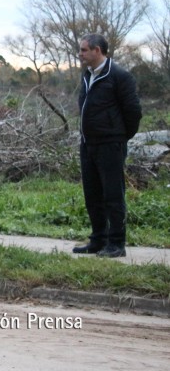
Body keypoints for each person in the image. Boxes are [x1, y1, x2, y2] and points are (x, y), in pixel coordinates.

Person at [72, 34, 142, 258]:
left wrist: (119, 137)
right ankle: (98, 240)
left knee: (113, 195)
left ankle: (116, 244)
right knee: (93, 195)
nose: (80, 54)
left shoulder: (119, 76)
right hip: (88, 145)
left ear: (97, 51)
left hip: (110, 145)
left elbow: (133, 112)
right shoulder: (87, 75)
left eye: (84, 50)